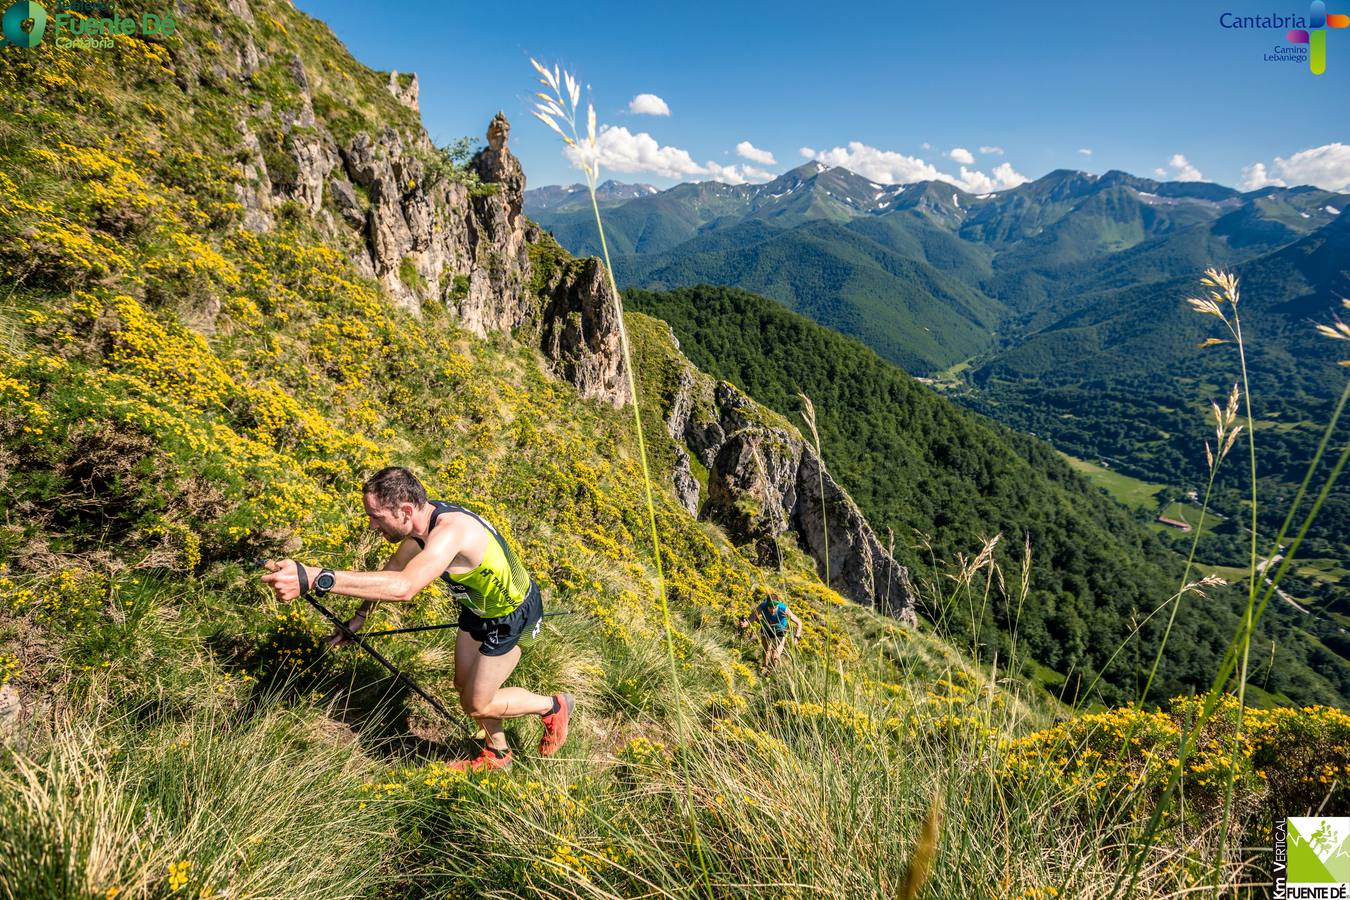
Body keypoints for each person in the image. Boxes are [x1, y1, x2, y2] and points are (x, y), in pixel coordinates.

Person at [261, 466, 573, 771]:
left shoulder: (451, 533)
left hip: (512, 615)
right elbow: (393, 570)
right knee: (463, 685)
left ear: (406, 511)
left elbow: (405, 587)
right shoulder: (421, 527)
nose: (372, 526)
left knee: (477, 703)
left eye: (376, 517)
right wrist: (360, 616)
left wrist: (316, 578)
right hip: (478, 608)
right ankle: (498, 754)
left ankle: (553, 706)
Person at [738, 588, 802, 673]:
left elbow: (799, 622)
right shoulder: (762, 606)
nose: (772, 610)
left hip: (780, 630)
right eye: (770, 607)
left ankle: (771, 672)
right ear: (767, 605)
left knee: (775, 655)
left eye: (774, 607)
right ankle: (764, 668)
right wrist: (746, 623)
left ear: (777, 605)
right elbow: (753, 617)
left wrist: (797, 637)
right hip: (766, 628)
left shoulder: (783, 608)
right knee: (766, 650)